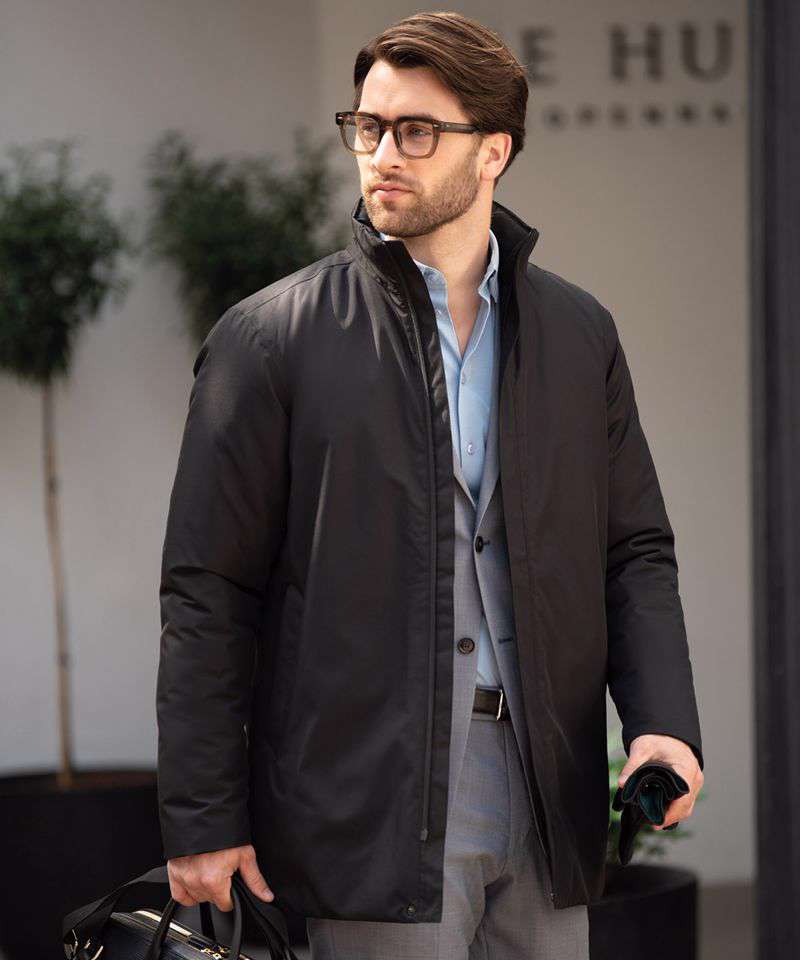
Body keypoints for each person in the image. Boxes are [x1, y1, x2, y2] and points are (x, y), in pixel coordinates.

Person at [156, 11, 705, 959]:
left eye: (416, 131)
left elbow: (633, 549)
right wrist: (204, 815)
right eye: (367, 127)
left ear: (493, 151)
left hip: (549, 787)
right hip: (372, 797)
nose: (381, 155)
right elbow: (210, 589)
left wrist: (663, 726)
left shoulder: (579, 336)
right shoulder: (270, 339)